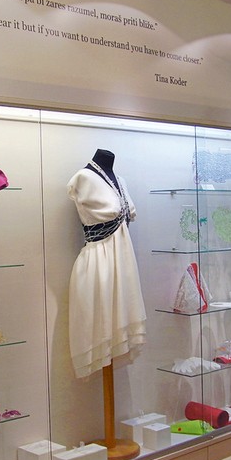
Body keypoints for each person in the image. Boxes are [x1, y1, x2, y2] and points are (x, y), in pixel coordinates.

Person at [67, 149, 146, 379]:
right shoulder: (83, 178)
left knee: (120, 325)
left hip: (124, 266)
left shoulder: (120, 180)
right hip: (98, 266)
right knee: (101, 326)